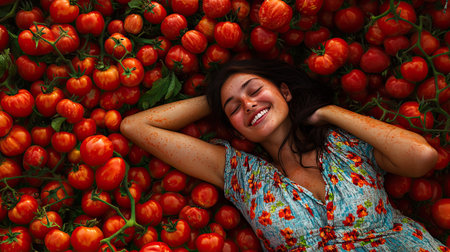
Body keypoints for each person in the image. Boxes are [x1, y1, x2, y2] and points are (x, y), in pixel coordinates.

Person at [120, 59, 448, 251]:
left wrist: (328, 112)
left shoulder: (345, 145)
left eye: (255, 90)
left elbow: (421, 157)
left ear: (285, 92)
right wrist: (215, 95)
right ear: (234, 130)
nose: (248, 104)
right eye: (234, 107)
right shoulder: (241, 174)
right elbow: (136, 127)